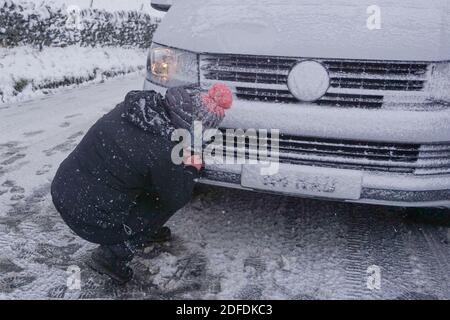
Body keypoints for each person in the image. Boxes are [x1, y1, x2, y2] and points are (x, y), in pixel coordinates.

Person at [51, 84, 233, 284]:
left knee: (150, 176)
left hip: (63, 189)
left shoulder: (139, 106)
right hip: (89, 220)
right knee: (169, 194)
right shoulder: (164, 146)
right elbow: (177, 196)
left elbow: (141, 156)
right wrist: (191, 168)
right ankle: (113, 254)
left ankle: (145, 230)